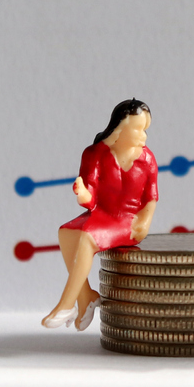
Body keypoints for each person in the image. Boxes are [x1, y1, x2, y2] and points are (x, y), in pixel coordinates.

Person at [42, 99, 158, 330]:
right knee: (66, 232)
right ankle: (87, 297)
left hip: (128, 222)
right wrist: (84, 194)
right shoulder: (95, 154)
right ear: (119, 128)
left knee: (86, 237)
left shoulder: (147, 159)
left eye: (145, 129)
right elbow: (91, 198)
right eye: (137, 129)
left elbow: (151, 197)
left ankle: (66, 304)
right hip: (103, 216)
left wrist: (144, 221)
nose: (143, 136)